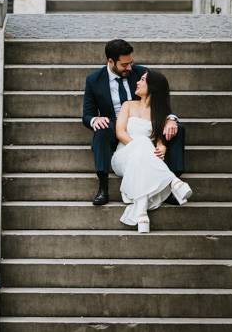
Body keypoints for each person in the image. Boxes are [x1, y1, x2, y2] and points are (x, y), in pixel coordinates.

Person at [81, 38, 185, 207]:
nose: (129, 68)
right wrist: (95, 119)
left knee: (177, 129)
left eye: (131, 62)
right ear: (110, 61)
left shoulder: (141, 73)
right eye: (124, 65)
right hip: (114, 128)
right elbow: (87, 115)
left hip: (143, 126)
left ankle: (172, 185)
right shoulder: (94, 80)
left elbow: (159, 99)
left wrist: (171, 118)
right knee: (100, 129)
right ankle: (103, 187)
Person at [111, 71, 193, 233]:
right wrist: (140, 147)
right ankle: (172, 181)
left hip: (144, 161)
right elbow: (120, 132)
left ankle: (142, 214)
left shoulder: (161, 113)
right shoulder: (128, 105)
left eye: (142, 80)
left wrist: (162, 147)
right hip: (122, 157)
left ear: (152, 87)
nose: (137, 82)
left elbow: (159, 140)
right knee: (142, 142)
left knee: (143, 153)